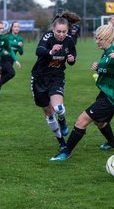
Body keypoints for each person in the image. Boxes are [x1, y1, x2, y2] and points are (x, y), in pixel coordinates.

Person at [50, 23, 114, 161]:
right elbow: (109, 71)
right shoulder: (106, 53)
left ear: (106, 38)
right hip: (106, 94)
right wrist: (98, 68)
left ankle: (66, 152)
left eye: (99, 39)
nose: (96, 41)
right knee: (100, 122)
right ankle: (113, 143)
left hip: (112, 97)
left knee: (81, 120)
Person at [31, 10, 80, 150]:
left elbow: (72, 57)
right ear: (53, 29)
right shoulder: (47, 37)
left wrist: (72, 59)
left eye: (64, 32)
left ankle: (63, 121)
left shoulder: (69, 40)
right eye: (58, 31)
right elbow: (39, 51)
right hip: (39, 78)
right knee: (48, 112)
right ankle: (61, 142)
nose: (61, 34)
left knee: (58, 108)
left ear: (67, 30)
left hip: (56, 77)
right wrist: (51, 52)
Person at [0, 21, 24, 94]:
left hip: (12, 59)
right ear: (12, 28)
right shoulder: (7, 37)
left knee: (2, 75)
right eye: (15, 26)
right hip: (4, 59)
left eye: (18, 27)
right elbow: (8, 43)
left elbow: (21, 53)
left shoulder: (20, 38)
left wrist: (20, 47)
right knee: (11, 73)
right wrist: (16, 43)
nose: (17, 28)